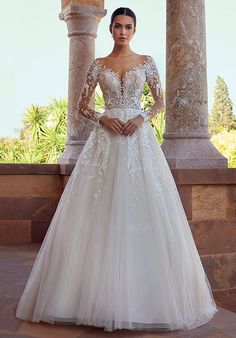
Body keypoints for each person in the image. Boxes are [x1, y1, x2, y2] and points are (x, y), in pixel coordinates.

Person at [16, 7, 218, 332]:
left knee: (142, 210)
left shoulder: (147, 62)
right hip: (106, 140)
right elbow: (82, 105)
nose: (123, 32)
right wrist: (103, 117)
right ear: (110, 29)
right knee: (99, 212)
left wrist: (141, 118)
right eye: (118, 26)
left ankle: (144, 298)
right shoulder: (98, 65)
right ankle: (93, 298)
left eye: (128, 27)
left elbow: (159, 101)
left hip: (139, 140)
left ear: (134, 30)